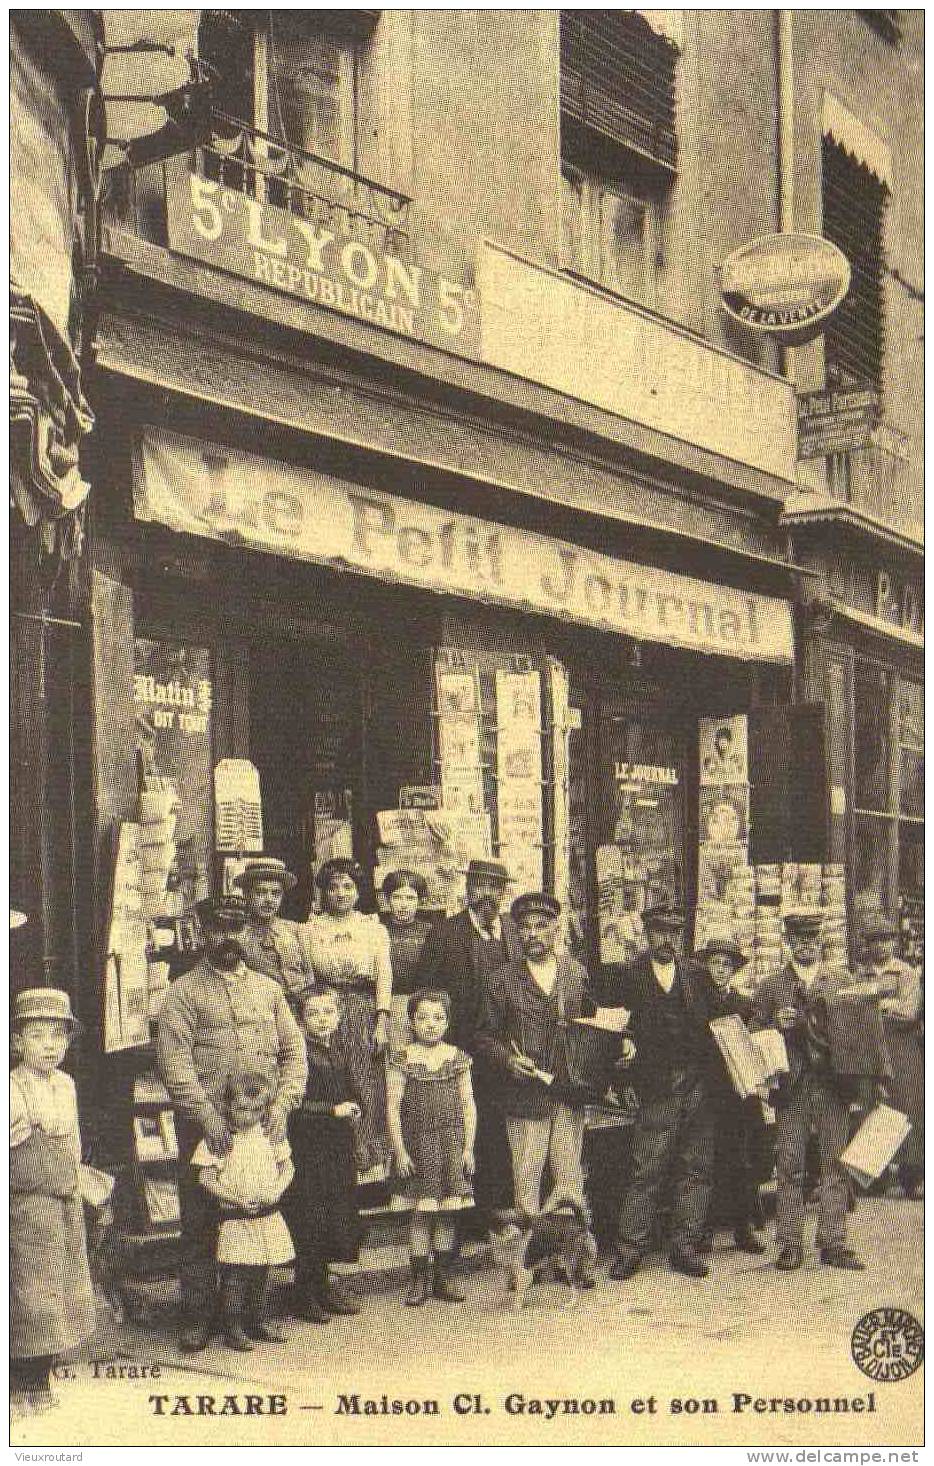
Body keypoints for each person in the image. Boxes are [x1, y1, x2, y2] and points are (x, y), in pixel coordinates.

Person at [156, 893, 307, 1352]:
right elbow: (174, 1062)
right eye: (220, 928)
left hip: (262, 1128)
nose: (229, 937)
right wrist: (205, 1117)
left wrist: (281, 1106)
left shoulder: (268, 990)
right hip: (209, 1128)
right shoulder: (182, 993)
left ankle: (250, 1315)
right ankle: (200, 1316)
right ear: (203, 932)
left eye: (236, 927)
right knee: (203, 1223)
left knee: (258, 1216)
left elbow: (295, 1054)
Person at [475, 891, 598, 1283]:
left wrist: (617, 1041)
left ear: (556, 929)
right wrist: (509, 1061)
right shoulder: (503, 981)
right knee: (526, 1182)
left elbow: (591, 1024)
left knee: (569, 1179)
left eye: (541, 926)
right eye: (525, 927)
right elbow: (483, 1036)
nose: (533, 934)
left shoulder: (575, 973)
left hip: (568, 1092)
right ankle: (523, 1266)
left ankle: (574, 1261)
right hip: (525, 1097)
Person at [603, 903, 727, 1281]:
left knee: (696, 1168)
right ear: (647, 933)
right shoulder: (629, 976)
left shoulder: (696, 975)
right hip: (656, 1086)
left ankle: (685, 1246)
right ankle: (630, 1249)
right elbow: (613, 1028)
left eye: (673, 932)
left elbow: (722, 1018)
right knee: (647, 1169)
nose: (666, 939)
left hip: (699, 1085)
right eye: (659, 931)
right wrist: (623, 1059)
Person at [749, 909, 868, 1271]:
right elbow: (753, 1031)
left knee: (835, 1163)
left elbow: (858, 1033)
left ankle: (833, 1242)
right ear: (788, 942)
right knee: (789, 1166)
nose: (806, 945)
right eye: (799, 938)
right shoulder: (771, 986)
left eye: (812, 938)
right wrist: (773, 1024)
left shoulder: (839, 981)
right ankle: (789, 1244)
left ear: (821, 942)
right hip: (792, 1087)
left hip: (833, 1084)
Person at [415, 857, 521, 1220]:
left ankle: (501, 1208)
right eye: (480, 885)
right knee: (464, 1128)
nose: (487, 894)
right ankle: (468, 1215)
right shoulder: (445, 933)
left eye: (495, 887)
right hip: (461, 1048)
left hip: (508, 1049)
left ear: (504, 893)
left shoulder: (514, 930)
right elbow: (426, 990)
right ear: (467, 888)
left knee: (502, 1128)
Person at [11, 988, 97, 1414]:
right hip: (28, 1204)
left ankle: (41, 1376)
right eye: (39, 1035)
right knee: (29, 1290)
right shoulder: (12, 1089)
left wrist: (79, 1183)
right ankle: (21, 1381)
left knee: (60, 1287)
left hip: (63, 1197)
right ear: (17, 1042)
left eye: (58, 1036)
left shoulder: (66, 1085)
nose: (50, 1045)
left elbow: (73, 1144)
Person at [300, 858, 394, 1174]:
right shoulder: (310, 929)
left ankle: (369, 1159)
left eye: (348, 887)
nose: (341, 893)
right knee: (330, 1078)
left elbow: (384, 975)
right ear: (324, 892)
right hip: (326, 1009)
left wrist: (381, 1020)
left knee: (365, 1078)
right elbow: (308, 976)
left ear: (358, 891)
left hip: (363, 1009)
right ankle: (337, 1154)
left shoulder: (372, 928)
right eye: (334, 887)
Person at [192, 1071, 295, 1352]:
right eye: (241, 1109)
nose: (248, 1116)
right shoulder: (220, 1139)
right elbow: (206, 1178)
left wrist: (275, 1191)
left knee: (262, 1270)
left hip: (266, 1213)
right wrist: (234, 1198)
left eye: (256, 1110)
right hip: (235, 1218)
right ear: (227, 1107)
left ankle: (258, 1320)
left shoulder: (270, 1135)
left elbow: (288, 1167)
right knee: (235, 1274)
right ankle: (232, 1326)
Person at [386, 990, 476, 1306]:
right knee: (422, 1214)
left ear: (447, 1022)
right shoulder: (402, 1059)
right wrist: (400, 1151)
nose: (430, 1024)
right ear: (411, 1021)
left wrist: (469, 1148)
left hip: (451, 1144)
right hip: (419, 1144)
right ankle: (419, 1279)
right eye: (422, 1017)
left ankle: (442, 1277)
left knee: (448, 1214)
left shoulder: (457, 1058)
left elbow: (468, 1104)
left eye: (438, 1018)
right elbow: (393, 1106)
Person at [284, 985, 363, 1323]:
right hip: (310, 1147)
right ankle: (305, 1291)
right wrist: (333, 1110)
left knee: (334, 1213)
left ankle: (323, 1284)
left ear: (339, 1015)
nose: (322, 1019)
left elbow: (348, 1090)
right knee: (310, 1217)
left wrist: (354, 1108)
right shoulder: (299, 1054)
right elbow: (295, 1107)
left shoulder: (337, 1049)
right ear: (301, 1020)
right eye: (313, 1013)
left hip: (336, 1145)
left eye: (328, 1012)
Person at [692, 939, 767, 1254]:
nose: (719, 970)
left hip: (738, 1094)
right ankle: (704, 1229)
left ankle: (742, 1228)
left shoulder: (744, 1004)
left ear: (734, 970)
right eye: (714, 963)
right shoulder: (695, 1001)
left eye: (725, 964)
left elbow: (756, 1045)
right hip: (707, 1091)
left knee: (739, 1161)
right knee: (705, 1160)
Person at [858, 912, 923, 1200]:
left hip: (901, 1048)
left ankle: (913, 1176)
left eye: (886, 941)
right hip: (872, 1047)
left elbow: (909, 1012)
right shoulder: (861, 973)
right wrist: (884, 1005)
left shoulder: (906, 973)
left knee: (908, 1106)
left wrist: (877, 1003)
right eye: (875, 941)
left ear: (894, 944)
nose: (881, 947)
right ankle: (876, 1175)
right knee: (875, 1105)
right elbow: (852, 1011)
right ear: (868, 946)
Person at [234, 858, 311, 1006]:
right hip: (257, 1009)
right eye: (261, 892)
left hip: (299, 1008)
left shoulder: (294, 930)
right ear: (246, 894)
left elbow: (309, 976)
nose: (269, 900)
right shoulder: (237, 935)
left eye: (276, 893)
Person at [380, 869, 433, 1051]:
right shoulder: (377, 930)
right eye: (397, 897)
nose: (403, 905)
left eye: (410, 898)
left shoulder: (430, 932)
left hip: (423, 1005)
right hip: (388, 1005)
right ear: (387, 900)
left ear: (420, 901)